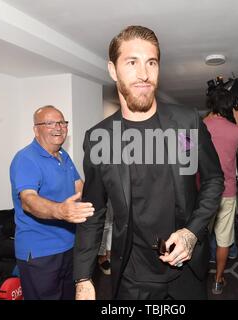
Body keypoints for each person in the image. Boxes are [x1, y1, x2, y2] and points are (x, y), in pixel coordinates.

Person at [73, 25, 224, 300]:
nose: (144, 74)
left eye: (151, 63)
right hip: (133, 278)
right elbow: (92, 211)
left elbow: (213, 180)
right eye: (132, 62)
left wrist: (192, 232)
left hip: (186, 271)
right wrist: (83, 278)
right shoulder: (99, 139)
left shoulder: (184, 124)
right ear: (112, 69)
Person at [10, 105, 94, 300]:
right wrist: (61, 211)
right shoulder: (26, 159)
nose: (58, 127)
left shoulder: (63, 155)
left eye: (62, 122)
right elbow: (29, 201)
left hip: (69, 247)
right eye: (49, 123)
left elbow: (80, 189)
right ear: (36, 129)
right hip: (40, 253)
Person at [203, 89, 238, 294]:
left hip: (202, 192)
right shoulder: (237, 130)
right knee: (223, 239)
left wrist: (205, 119)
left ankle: (195, 276)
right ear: (232, 106)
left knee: (199, 236)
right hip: (227, 192)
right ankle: (218, 280)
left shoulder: (201, 126)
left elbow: (182, 148)